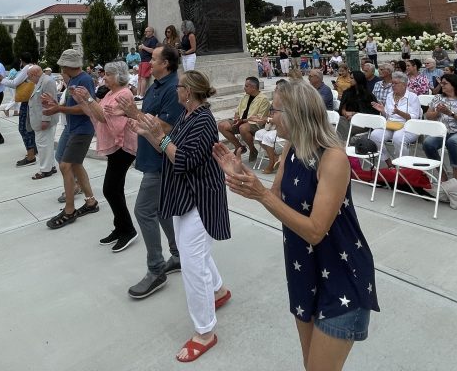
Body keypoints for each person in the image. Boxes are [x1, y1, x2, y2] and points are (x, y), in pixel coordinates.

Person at [215, 79, 379, 370]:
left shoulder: (333, 158)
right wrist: (242, 178)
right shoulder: (292, 147)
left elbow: (316, 230)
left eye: (275, 110)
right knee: (310, 365)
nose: (269, 117)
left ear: (295, 114)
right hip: (304, 269)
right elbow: (277, 197)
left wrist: (261, 194)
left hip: (341, 274)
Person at [132, 70, 231, 363]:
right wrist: (151, 134)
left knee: (191, 262)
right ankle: (219, 290)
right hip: (185, 197)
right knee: (195, 253)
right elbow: (169, 151)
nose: (176, 91)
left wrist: (160, 137)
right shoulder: (188, 117)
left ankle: (205, 332)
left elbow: (184, 159)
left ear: (189, 92)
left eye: (180, 88)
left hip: (200, 198)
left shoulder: (203, 120)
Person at [119, 45, 182, 299]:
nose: (148, 62)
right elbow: (149, 120)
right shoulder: (156, 85)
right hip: (151, 157)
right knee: (159, 208)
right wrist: (131, 116)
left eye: (153, 59)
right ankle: (178, 254)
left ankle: (156, 269)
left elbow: (164, 127)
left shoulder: (173, 88)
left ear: (166, 63)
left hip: (161, 161)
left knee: (143, 210)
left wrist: (136, 114)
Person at [72, 61, 139, 252]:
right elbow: (96, 115)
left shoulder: (125, 93)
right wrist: (82, 100)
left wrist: (90, 100)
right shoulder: (110, 93)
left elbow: (104, 118)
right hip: (117, 147)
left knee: (110, 189)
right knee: (114, 189)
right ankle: (121, 227)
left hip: (123, 147)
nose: (105, 77)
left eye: (108, 74)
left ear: (118, 76)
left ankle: (127, 229)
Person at [44, 49, 100, 229]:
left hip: (82, 129)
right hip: (74, 128)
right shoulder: (74, 80)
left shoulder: (83, 80)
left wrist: (58, 110)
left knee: (65, 165)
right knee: (74, 164)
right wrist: (56, 104)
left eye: (62, 65)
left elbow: (86, 109)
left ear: (68, 65)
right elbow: (72, 104)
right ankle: (91, 202)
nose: (60, 67)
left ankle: (69, 210)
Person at [422, 74, 457, 182]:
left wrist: (450, 113)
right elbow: (428, 116)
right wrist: (437, 112)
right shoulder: (438, 97)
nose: (442, 85)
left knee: (453, 141)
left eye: (445, 83)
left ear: (454, 84)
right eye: (441, 83)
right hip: (442, 133)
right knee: (428, 143)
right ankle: (442, 175)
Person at [370, 71, 423, 162]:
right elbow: (388, 116)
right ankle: (388, 162)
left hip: (408, 126)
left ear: (404, 85)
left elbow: (414, 118)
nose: (393, 86)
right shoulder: (390, 95)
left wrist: (399, 112)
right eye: (392, 83)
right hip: (392, 125)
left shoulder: (412, 97)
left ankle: (402, 164)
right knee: (375, 135)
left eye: (396, 83)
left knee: (398, 137)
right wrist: (382, 110)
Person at [217, 76, 270, 163]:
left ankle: (253, 150)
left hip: (254, 125)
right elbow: (238, 111)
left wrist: (242, 121)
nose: (244, 88)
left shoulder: (263, 99)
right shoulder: (245, 97)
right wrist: (236, 118)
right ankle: (239, 147)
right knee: (222, 125)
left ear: (253, 88)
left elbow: (259, 118)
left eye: (246, 86)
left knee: (243, 128)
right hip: (241, 122)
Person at [2, 53, 37, 166]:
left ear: (21, 60)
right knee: (30, 127)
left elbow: (14, 83)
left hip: (27, 101)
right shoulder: (34, 67)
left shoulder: (27, 68)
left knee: (23, 128)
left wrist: (1, 79)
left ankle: (30, 156)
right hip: (32, 100)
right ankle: (33, 149)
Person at [29, 66, 60, 180]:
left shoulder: (47, 81)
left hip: (45, 119)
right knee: (47, 144)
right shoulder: (41, 81)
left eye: (29, 76)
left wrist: (45, 119)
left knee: (43, 145)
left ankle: (45, 170)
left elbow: (48, 102)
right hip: (41, 118)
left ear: (34, 74)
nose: (29, 78)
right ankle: (50, 166)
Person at [337, 70, 377, 141]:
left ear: (358, 79)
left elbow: (372, 114)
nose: (349, 80)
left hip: (362, 122)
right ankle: (344, 144)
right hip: (347, 119)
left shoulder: (368, 95)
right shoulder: (347, 93)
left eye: (352, 78)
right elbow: (342, 108)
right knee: (340, 121)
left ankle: (344, 145)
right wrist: (345, 113)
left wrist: (354, 114)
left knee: (343, 128)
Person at [136, 26, 159, 100]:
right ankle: (138, 94)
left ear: (152, 32)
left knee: (143, 77)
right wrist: (141, 47)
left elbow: (153, 50)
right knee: (139, 77)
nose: (145, 32)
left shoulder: (153, 39)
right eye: (145, 31)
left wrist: (144, 47)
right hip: (142, 60)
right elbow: (143, 47)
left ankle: (142, 95)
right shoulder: (145, 39)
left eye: (147, 31)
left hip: (148, 60)